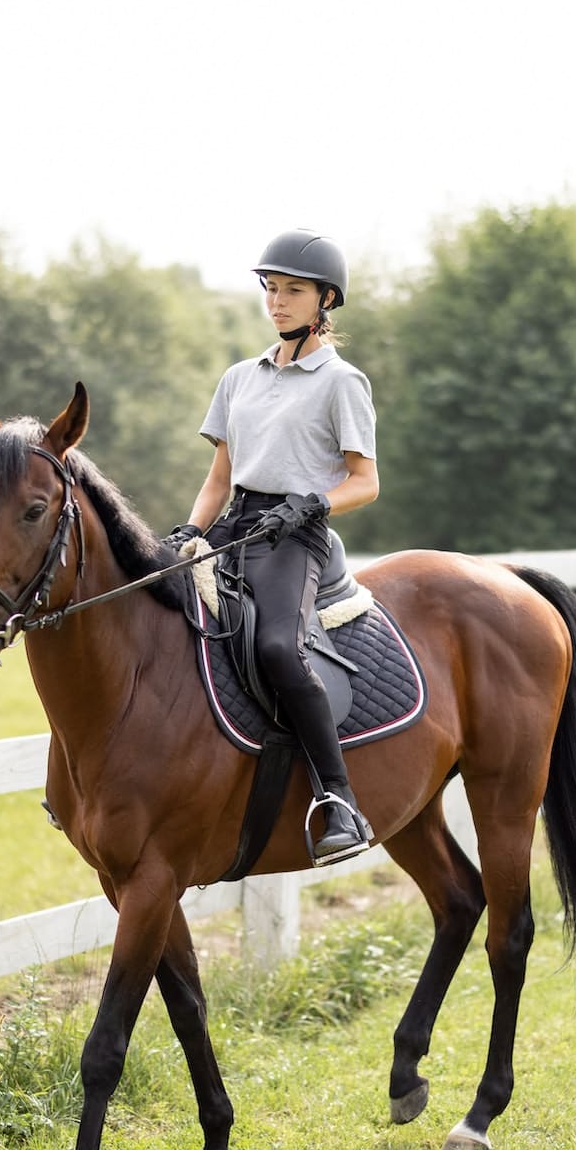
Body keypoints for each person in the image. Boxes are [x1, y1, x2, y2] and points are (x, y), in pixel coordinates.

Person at [162, 229, 379, 864]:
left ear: (325, 301)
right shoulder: (238, 378)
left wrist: (311, 503)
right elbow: (219, 479)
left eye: (293, 292)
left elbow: (365, 482)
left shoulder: (342, 382)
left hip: (297, 535)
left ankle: (338, 799)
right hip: (238, 522)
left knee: (279, 646)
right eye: (271, 290)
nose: (278, 302)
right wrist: (191, 530)